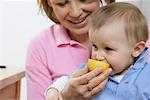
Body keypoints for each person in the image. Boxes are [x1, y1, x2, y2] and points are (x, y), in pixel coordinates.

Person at [46, 2, 150, 100]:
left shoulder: (147, 76)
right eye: (95, 46)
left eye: (108, 49)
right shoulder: (88, 72)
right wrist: (53, 92)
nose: (98, 56)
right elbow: (65, 82)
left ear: (136, 49)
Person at [26, 0, 115, 100]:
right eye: (62, 3)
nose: (75, 13)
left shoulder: (128, 34)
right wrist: (65, 97)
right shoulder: (40, 46)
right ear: (49, 2)